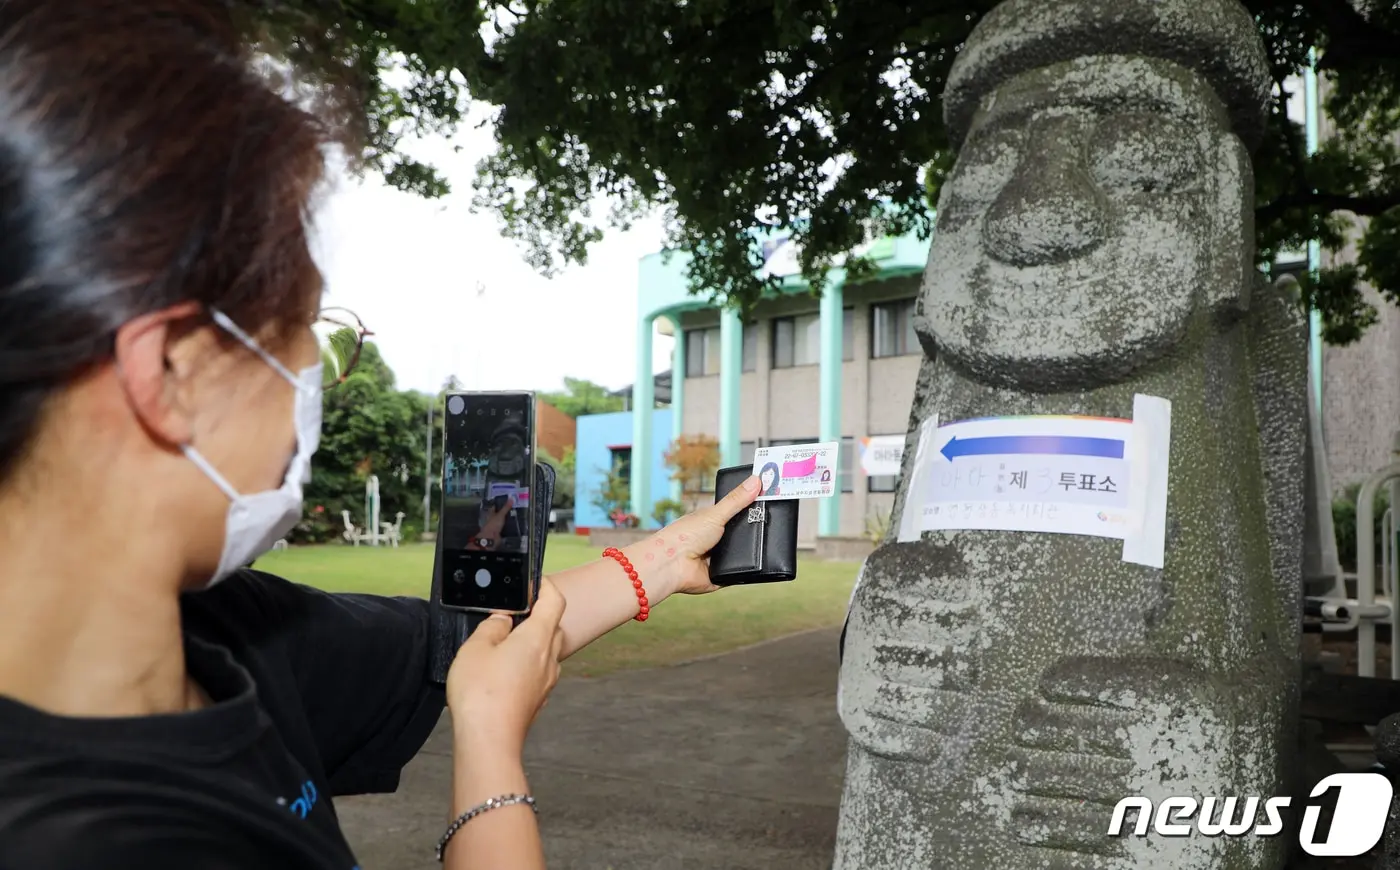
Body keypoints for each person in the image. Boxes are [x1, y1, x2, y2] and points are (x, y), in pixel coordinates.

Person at [0, 3, 763, 869]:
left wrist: (663, 560)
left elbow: (471, 640)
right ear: (173, 370)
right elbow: (483, 689)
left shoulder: (216, 635)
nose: (327, 376)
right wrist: (490, 753)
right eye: (304, 324)